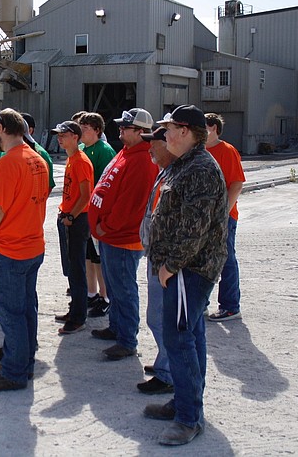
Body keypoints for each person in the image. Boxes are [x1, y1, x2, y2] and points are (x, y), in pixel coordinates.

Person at [144, 105, 228, 446]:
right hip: (183, 270)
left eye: (168, 129)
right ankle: (185, 401)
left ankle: (189, 418)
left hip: (187, 271)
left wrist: (169, 265)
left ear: (184, 130)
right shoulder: (184, 165)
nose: (163, 135)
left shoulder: (200, 168)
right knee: (189, 336)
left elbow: (194, 229)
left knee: (178, 338)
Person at [0, 108, 50, 392]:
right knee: (26, 309)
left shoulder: (9, 162)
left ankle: (15, 372)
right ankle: (22, 361)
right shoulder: (38, 159)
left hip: (9, 248)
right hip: (32, 245)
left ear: (1, 128)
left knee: (11, 314)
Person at [87, 108, 158, 361]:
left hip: (122, 237)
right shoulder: (127, 152)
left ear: (140, 132)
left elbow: (132, 203)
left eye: (125, 128)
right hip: (111, 236)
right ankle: (117, 327)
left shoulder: (142, 159)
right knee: (116, 286)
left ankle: (127, 339)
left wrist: (108, 225)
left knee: (124, 289)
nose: (120, 130)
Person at [137, 125, 177, 395]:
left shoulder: (180, 174)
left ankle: (169, 372)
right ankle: (166, 362)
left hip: (166, 262)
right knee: (156, 317)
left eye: (154, 143)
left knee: (163, 318)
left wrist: (170, 264)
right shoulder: (165, 172)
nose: (150, 147)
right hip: (156, 256)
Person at [50, 121, 93, 335]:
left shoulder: (81, 161)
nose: (59, 138)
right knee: (72, 268)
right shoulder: (71, 159)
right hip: (69, 217)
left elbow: (86, 194)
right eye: (58, 135)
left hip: (76, 220)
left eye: (63, 135)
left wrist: (71, 216)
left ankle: (78, 316)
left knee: (77, 269)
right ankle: (75, 309)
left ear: (75, 136)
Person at [205, 113, 246, 321]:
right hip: (203, 217)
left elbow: (237, 184)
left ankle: (230, 306)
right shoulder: (200, 151)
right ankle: (202, 303)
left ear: (212, 127)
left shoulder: (226, 151)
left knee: (226, 259)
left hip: (223, 217)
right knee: (203, 259)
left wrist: (223, 214)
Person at [78, 112, 116, 318]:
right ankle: (91, 292)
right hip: (85, 212)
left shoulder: (104, 151)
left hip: (97, 212)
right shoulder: (83, 149)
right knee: (88, 256)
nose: (81, 131)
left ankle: (106, 297)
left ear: (97, 130)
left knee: (99, 258)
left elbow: (107, 186)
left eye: (86, 128)